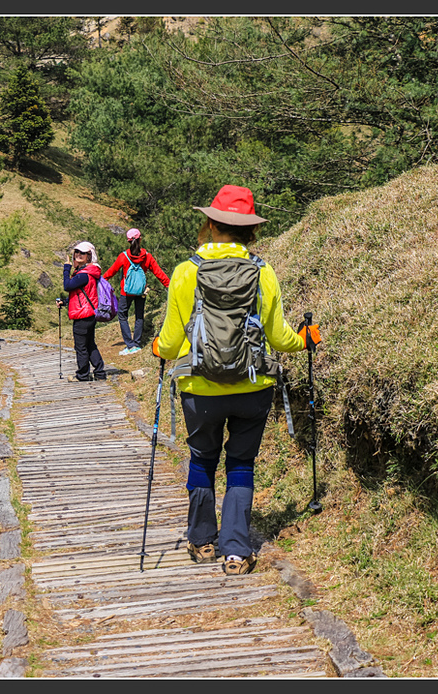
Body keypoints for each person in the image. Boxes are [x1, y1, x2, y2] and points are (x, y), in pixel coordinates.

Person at [152, 185, 308, 576]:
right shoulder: (263, 272)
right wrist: (306, 339)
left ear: (210, 224)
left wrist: (156, 346)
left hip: (199, 387)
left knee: (202, 458)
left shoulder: (186, 271)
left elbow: (169, 344)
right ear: (251, 230)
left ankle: (203, 541)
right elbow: (280, 338)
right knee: (241, 463)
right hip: (253, 386)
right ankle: (236, 551)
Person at [102, 228, 169, 355]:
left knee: (122, 315)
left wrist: (100, 281)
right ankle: (137, 344)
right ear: (140, 239)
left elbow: (111, 271)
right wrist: (169, 285)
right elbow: (159, 273)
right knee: (139, 316)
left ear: (128, 241)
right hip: (141, 291)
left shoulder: (123, 256)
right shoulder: (147, 256)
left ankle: (130, 345)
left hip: (126, 292)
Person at [56, 241, 107, 382]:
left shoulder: (84, 274)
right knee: (90, 344)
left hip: (83, 315)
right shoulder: (90, 272)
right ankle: (100, 373)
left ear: (89, 256)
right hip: (89, 313)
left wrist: (66, 268)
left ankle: (83, 375)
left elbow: (67, 286)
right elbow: (82, 294)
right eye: (77, 252)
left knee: (81, 347)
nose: (78, 254)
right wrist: (65, 302)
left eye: (82, 253)